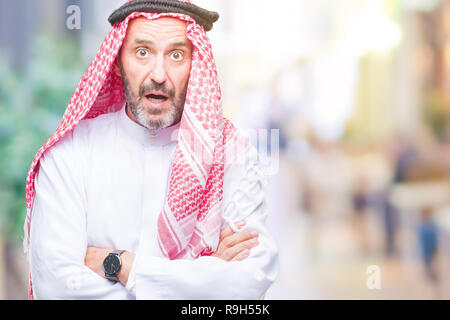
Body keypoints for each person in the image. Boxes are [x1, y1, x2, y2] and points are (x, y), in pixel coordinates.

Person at [24, 0, 279, 300]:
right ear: (118, 62)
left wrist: (121, 265)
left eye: (176, 54)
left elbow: (249, 283)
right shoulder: (70, 154)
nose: (158, 74)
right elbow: (58, 288)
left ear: (195, 67)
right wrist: (203, 280)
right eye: (142, 52)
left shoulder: (234, 156)